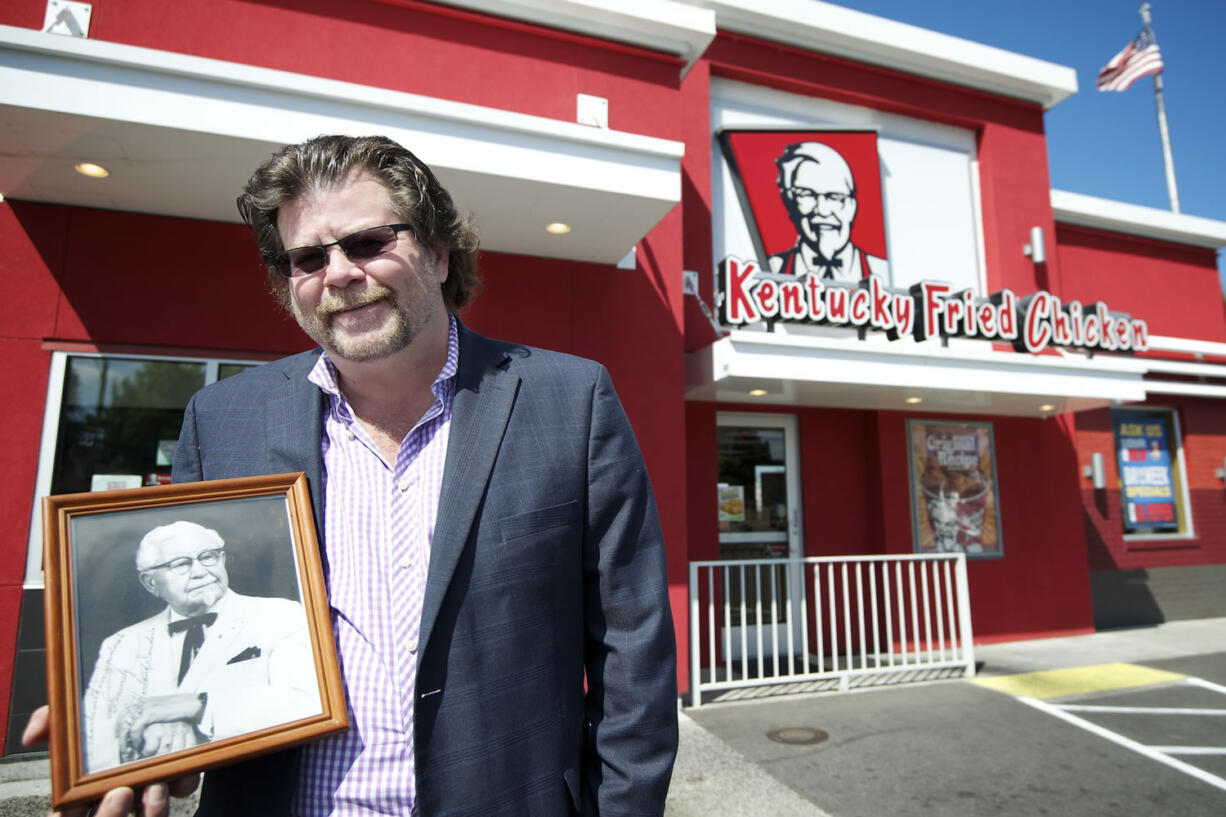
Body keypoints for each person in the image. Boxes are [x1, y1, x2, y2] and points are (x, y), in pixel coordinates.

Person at [24, 134, 678, 817]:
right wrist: (151, 752)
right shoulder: (221, 419)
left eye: (367, 242)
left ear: (438, 249)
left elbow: (631, 652)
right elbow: (201, 642)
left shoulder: (569, 399)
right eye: (308, 257)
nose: (337, 273)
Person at [81, 521, 320, 773]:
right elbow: (90, 738)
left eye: (208, 557)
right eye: (181, 564)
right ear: (150, 583)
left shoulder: (281, 615)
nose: (200, 571)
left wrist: (199, 707)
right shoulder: (121, 644)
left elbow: (308, 705)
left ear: (223, 560)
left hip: (247, 782)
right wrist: (150, 732)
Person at [768, 141, 889, 281]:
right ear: (790, 202)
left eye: (834, 197)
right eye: (807, 194)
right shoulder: (771, 267)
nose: (823, 211)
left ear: (852, 206)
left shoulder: (880, 271)